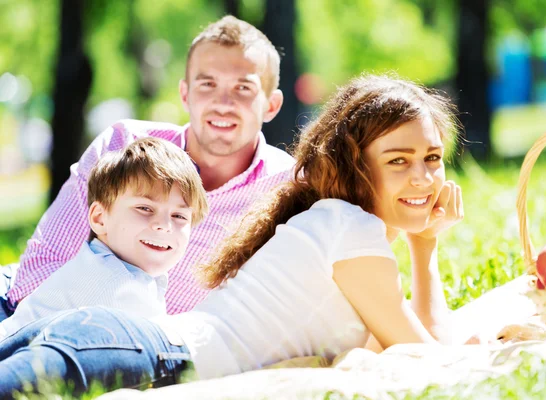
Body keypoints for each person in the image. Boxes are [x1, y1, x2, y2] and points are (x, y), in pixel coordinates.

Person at [0, 74, 473, 395]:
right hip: (144, 351)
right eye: (398, 160)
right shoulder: (351, 227)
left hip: (116, 340)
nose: (424, 178)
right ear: (354, 163)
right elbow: (425, 357)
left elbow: (420, 339)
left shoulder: (338, 226)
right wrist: (423, 246)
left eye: (432, 157)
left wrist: (424, 243)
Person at [0, 15, 295, 320]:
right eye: (207, 84)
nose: (223, 102)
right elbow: (37, 273)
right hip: (36, 315)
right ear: (185, 94)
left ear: (271, 105)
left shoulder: (288, 188)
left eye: (243, 88)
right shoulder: (123, 145)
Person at [0, 138, 208, 339]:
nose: (164, 225)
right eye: (145, 208)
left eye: (179, 216)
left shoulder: (101, 261)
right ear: (100, 218)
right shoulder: (117, 284)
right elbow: (160, 352)